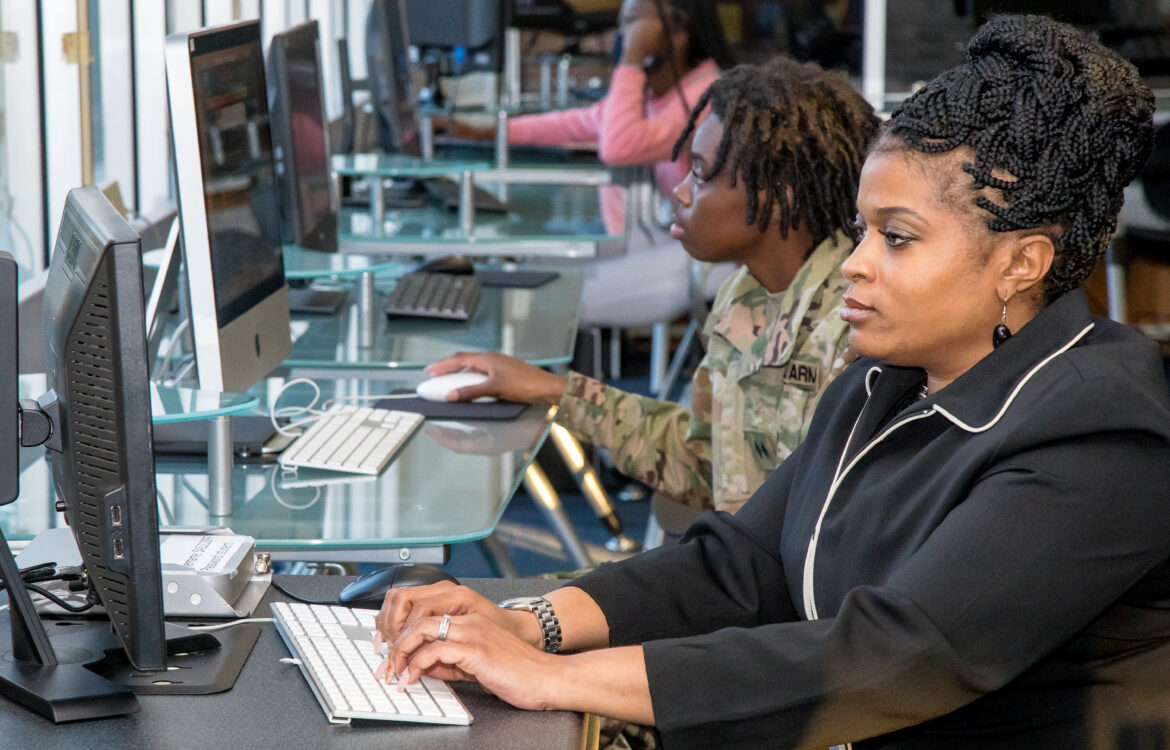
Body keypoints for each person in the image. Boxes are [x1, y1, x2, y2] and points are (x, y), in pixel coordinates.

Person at [374, 15, 1170, 748]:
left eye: (897, 239)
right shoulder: (883, 385)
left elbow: (903, 652)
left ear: (1020, 262)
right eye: (863, 230)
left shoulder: (1103, 431)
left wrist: (556, 679)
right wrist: (533, 626)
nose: (854, 263)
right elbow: (741, 563)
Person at [428, 56, 880, 514]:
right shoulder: (745, 296)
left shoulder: (853, 324)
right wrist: (551, 391)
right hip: (738, 567)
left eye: (700, 173)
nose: (679, 192)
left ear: (776, 196)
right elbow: (705, 464)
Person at [448, 0, 733, 234]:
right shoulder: (662, 91)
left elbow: (618, 146)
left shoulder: (703, 95)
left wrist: (631, 60)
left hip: (692, 255)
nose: (622, 35)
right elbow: (578, 124)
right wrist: (477, 131)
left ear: (678, 34)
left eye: (634, 24)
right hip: (665, 237)